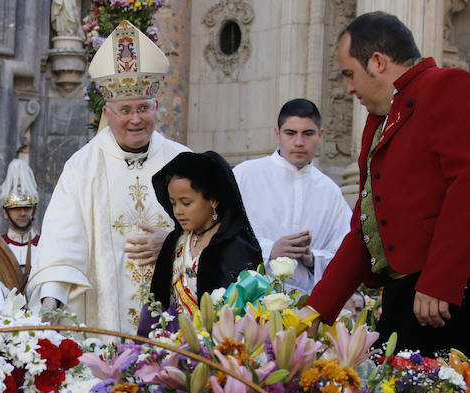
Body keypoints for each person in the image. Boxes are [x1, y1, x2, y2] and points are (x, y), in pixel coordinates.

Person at [304, 11, 470, 355]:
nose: (349, 88)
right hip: (403, 299)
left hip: (443, 301)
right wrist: (317, 308)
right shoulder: (380, 121)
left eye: (350, 74)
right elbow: (367, 227)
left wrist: (440, 281)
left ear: (378, 62)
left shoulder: (446, 85)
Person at [27, 20, 190, 334]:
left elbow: (217, 233)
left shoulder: (184, 162)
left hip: (176, 325)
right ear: (108, 113)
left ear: (157, 107)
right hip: (104, 325)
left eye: (144, 107)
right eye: (125, 109)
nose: (136, 119)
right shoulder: (83, 167)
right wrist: (49, 304)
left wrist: (173, 245)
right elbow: (62, 243)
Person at [234, 99, 352, 295]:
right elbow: (223, 233)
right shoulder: (245, 176)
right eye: (290, 133)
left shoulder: (329, 191)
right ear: (277, 134)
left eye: (308, 134)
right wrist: (270, 250)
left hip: (307, 302)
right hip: (251, 298)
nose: (299, 142)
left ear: (320, 135)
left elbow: (345, 252)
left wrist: (313, 258)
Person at [138, 151, 262, 336]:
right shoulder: (175, 241)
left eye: (186, 203)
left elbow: (248, 314)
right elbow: (157, 300)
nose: (178, 211)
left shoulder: (237, 248)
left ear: (213, 199)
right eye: (173, 203)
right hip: (171, 346)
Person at [0, 159, 40, 275]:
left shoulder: (45, 246)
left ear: (35, 211)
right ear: (5, 213)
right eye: (16, 208)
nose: (22, 213)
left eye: (27, 208)